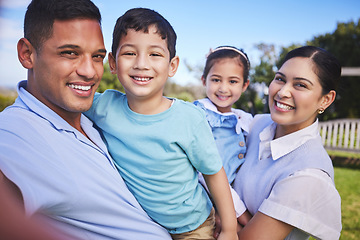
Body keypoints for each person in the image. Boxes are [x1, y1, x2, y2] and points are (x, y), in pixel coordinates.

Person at [0, 0, 172, 239]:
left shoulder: (97, 118)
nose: (90, 72)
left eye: (97, 56)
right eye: (70, 53)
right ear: (27, 54)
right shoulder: (13, 132)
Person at [84, 8, 237, 240]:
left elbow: (214, 173)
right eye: (130, 54)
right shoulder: (102, 106)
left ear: (172, 66)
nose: (142, 64)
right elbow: (62, 101)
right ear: (113, 63)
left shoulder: (189, 118)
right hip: (141, 225)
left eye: (155, 54)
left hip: (193, 226)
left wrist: (229, 228)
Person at [233, 46, 342, 239]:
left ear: (325, 100)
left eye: (300, 85)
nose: (282, 92)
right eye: (280, 79)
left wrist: (218, 215)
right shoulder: (256, 124)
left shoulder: (309, 174)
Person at [193, 46, 253, 230]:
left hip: (228, 200)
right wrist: (241, 212)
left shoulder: (244, 120)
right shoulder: (199, 114)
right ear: (204, 80)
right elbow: (205, 170)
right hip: (201, 196)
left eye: (233, 81)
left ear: (244, 85)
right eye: (216, 79)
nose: (223, 88)